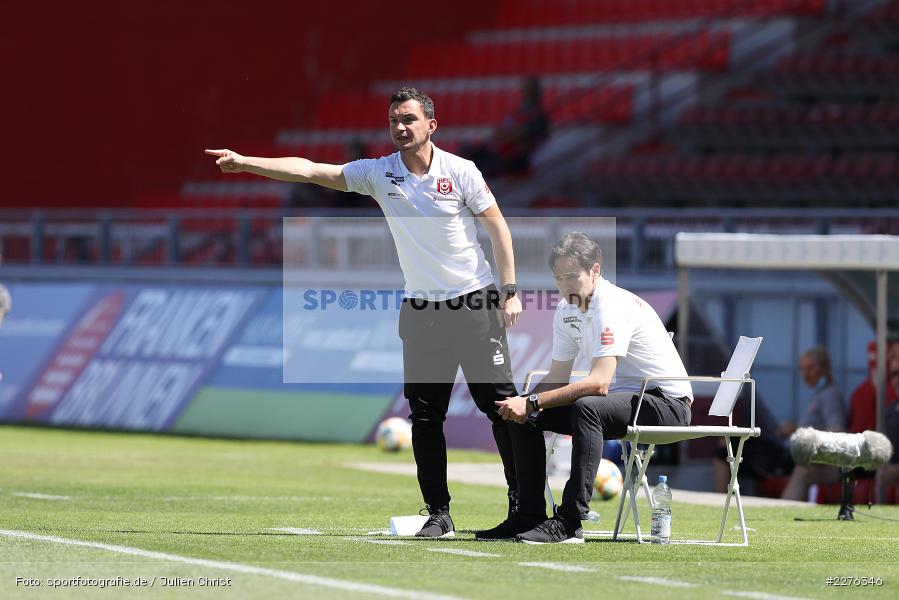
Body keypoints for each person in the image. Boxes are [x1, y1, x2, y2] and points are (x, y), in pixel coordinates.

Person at [205, 88, 540, 538]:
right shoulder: (379, 173)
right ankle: (438, 515)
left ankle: (522, 507)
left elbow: (498, 228)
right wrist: (248, 162)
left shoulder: (461, 172)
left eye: (408, 119)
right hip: (422, 312)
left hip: (475, 303)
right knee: (424, 418)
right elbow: (310, 170)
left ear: (431, 126)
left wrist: (510, 290)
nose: (400, 127)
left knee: (501, 407)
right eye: (393, 121)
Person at [480, 232, 693, 543]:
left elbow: (599, 383)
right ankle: (528, 514)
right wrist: (525, 403)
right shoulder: (567, 310)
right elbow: (557, 376)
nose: (564, 285)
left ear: (595, 270)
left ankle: (569, 522)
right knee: (524, 414)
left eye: (571, 276)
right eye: (558, 278)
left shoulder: (611, 305)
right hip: (626, 402)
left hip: (667, 404)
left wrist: (534, 401)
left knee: (586, 406)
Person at [462, 76, 549, 178]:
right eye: (525, 89)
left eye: (529, 90)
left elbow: (524, 136)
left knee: (482, 167)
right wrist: (509, 134)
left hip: (515, 158)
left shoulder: (539, 116)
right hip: (499, 151)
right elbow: (499, 132)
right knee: (466, 151)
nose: (526, 93)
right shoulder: (519, 111)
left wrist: (509, 135)